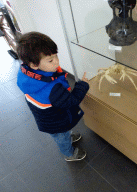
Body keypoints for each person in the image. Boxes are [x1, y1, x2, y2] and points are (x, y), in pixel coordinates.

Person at [16, 31, 90, 161]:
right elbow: (71, 101)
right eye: (50, 60)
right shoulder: (52, 88)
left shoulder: (26, 72)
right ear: (34, 64)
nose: (57, 62)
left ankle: (67, 136)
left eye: (56, 56)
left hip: (46, 117)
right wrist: (82, 86)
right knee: (61, 138)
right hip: (55, 122)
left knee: (62, 135)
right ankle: (69, 154)